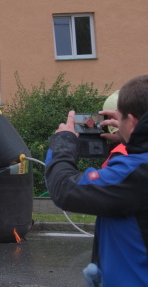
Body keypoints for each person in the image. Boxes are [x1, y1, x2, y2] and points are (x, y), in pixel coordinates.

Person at [45, 75, 148, 286]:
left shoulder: (135, 174)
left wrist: (64, 142)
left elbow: (64, 188)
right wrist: (132, 136)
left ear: (133, 122)